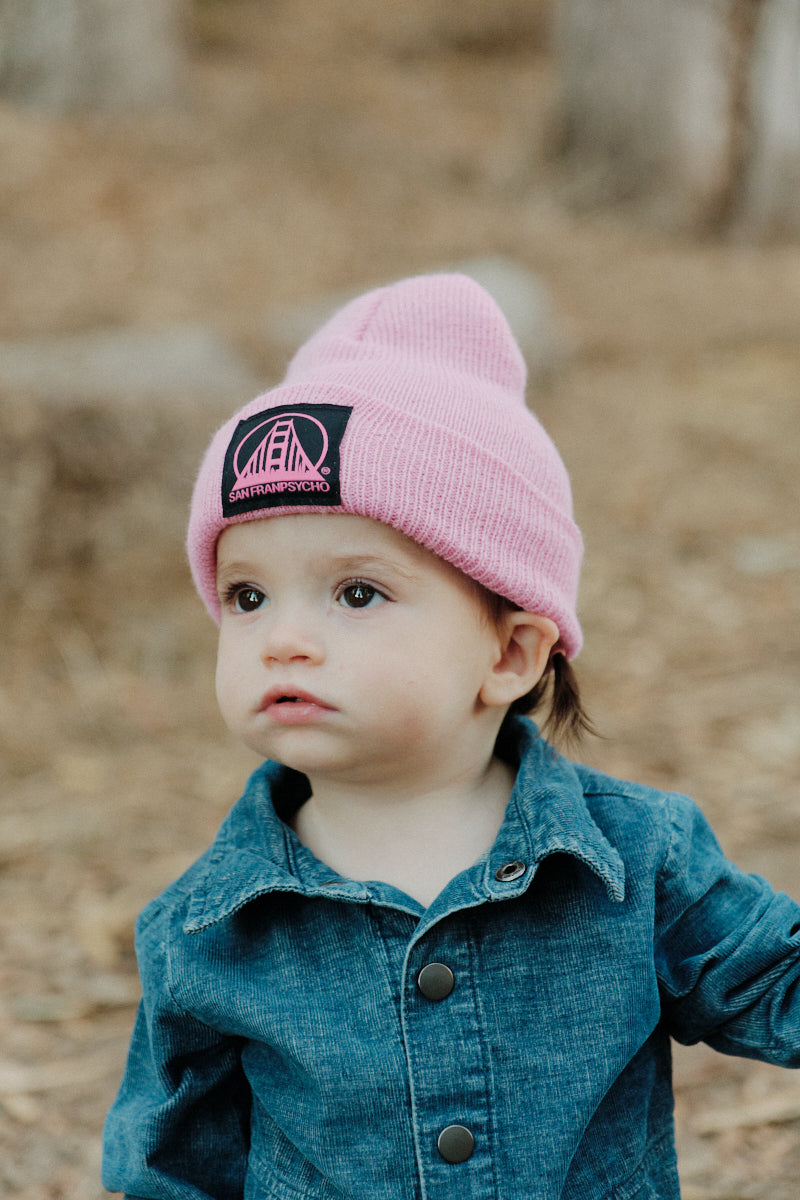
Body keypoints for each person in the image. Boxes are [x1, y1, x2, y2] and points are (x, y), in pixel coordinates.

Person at [102, 274, 800, 1200]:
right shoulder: (206, 932)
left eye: (358, 593)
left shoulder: (636, 862)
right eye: (248, 595)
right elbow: (173, 1172)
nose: (284, 638)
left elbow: (775, 980)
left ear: (510, 653)